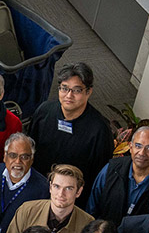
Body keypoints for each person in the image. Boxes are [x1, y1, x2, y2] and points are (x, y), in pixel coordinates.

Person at [27, 63, 113, 199]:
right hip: (38, 186)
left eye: (77, 90)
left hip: (71, 196)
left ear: (88, 92)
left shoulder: (99, 130)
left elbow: (98, 175)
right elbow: (30, 148)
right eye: (64, 88)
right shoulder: (44, 111)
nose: (69, 95)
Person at [4, 164, 94, 233]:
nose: (61, 194)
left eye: (68, 188)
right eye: (56, 186)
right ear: (50, 187)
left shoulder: (88, 223)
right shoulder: (27, 210)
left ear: (78, 192)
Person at [87, 126, 149, 223]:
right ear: (130, 147)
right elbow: (91, 208)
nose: (142, 153)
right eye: (138, 146)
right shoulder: (112, 169)